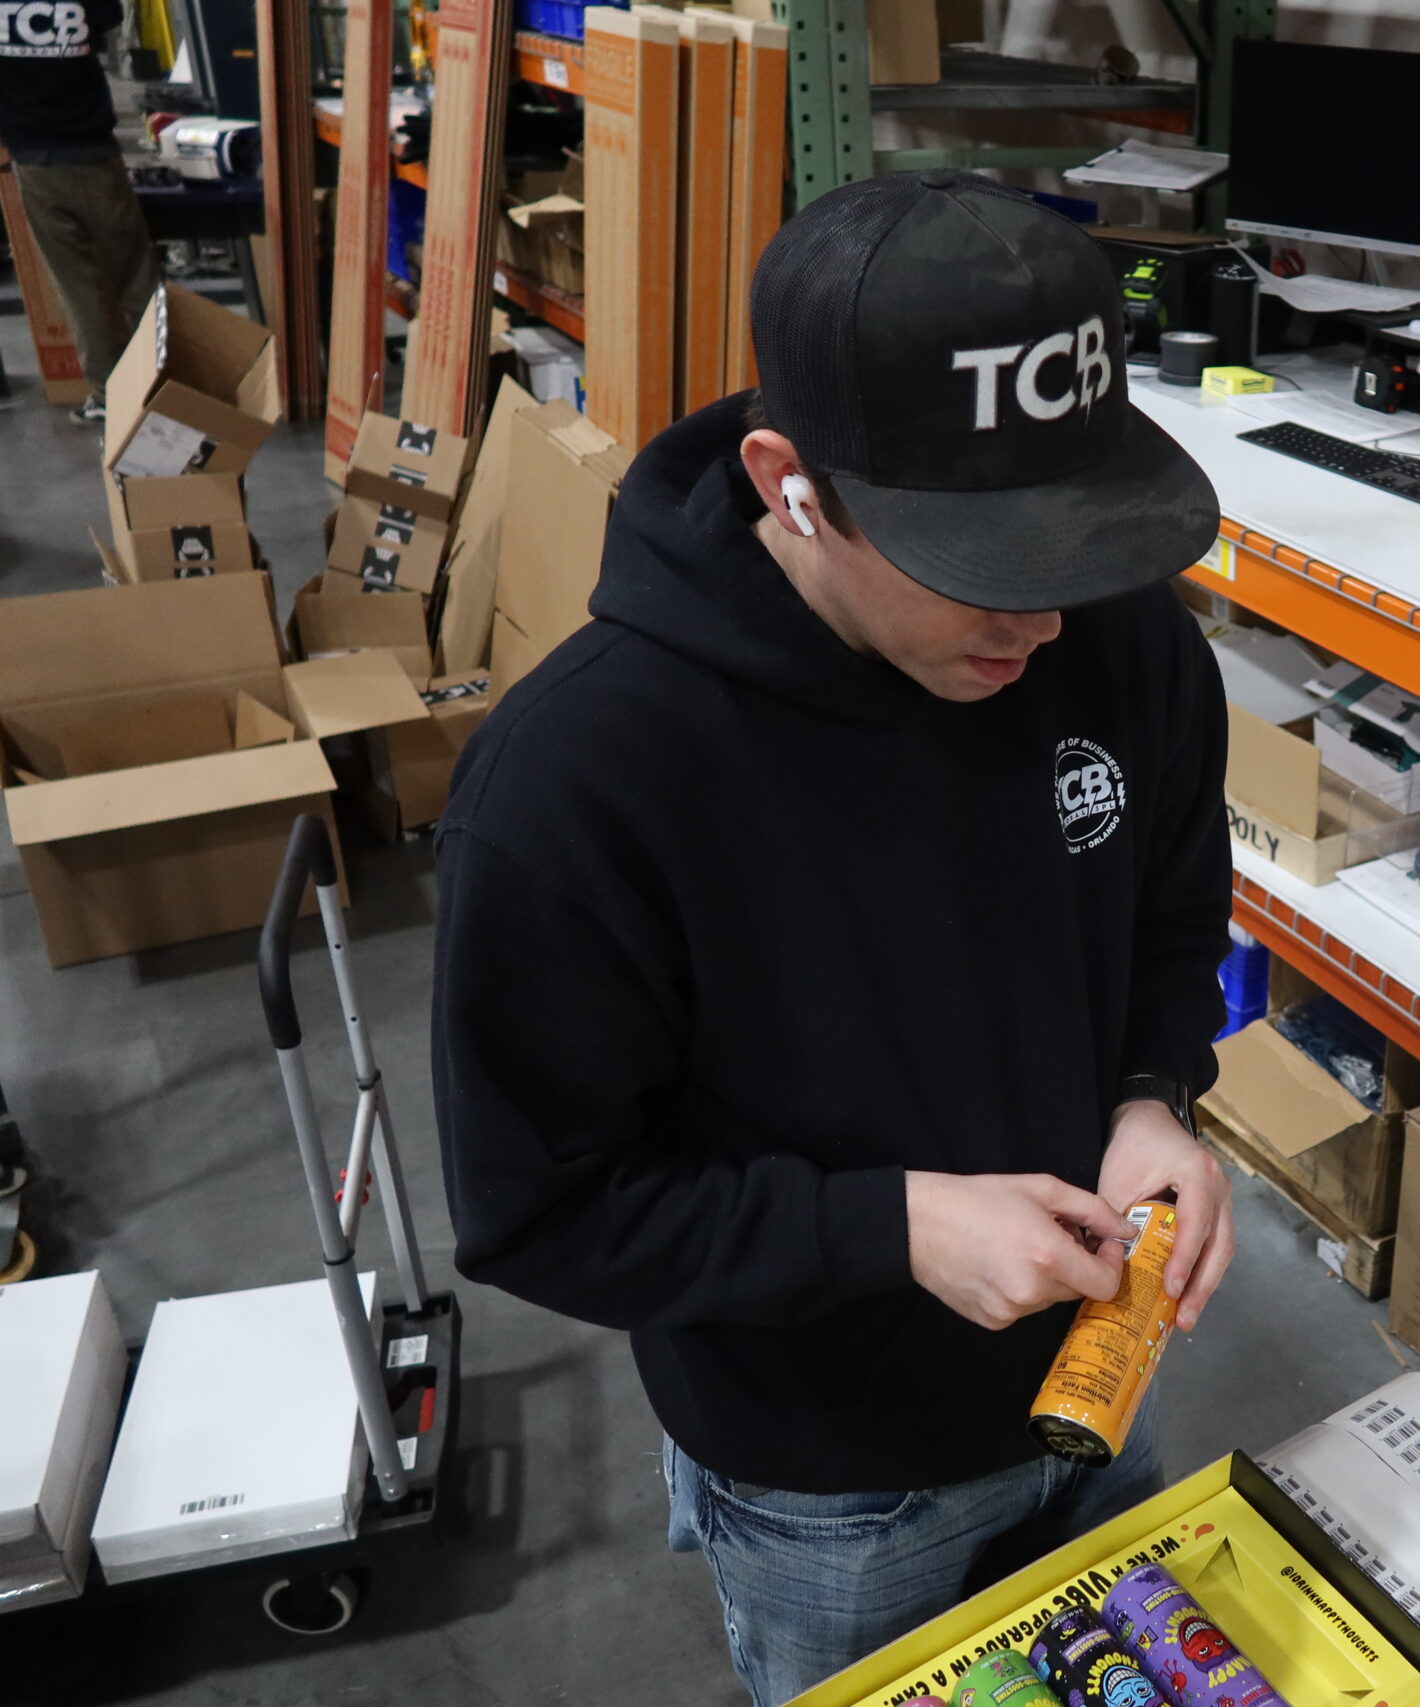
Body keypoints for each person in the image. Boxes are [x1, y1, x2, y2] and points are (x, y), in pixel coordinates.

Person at [431, 172, 1237, 1707]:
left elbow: (1168, 912)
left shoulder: (1116, 637)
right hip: (836, 1479)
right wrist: (889, 1227)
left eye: (1070, 551)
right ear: (788, 481)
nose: (1042, 627)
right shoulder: (584, 783)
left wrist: (1151, 1092)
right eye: (979, 569)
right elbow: (543, 1207)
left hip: (1096, 1378)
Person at [0, 0, 160, 421]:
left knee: (80, 286)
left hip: (36, 159)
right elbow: (108, 31)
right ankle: (165, 379)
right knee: (135, 276)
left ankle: (112, 394)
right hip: (95, 153)